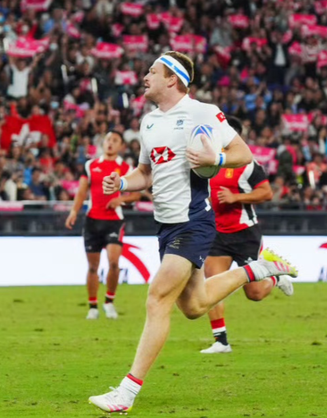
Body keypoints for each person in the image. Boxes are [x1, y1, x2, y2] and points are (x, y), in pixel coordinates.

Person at [88, 51, 297, 413]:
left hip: (194, 222)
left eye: (152, 71)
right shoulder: (149, 122)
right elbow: (145, 174)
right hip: (165, 226)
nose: (145, 76)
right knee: (194, 306)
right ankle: (260, 269)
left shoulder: (202, 112)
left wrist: (217, 159)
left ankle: (126, 392)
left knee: (157, 298)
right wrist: (121, 182)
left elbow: (243, 153)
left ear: (172, 79)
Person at [200, 117, 294, 354]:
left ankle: (275, 277)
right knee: (212, 285)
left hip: (245, 234)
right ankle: (221, 341)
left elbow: (267, 193)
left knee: (255, 294)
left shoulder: (248, 163)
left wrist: (236, 198)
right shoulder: (208, 162)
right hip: (217, 234)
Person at [65, 131, 141, 320]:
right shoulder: (91, 166)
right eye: (108, 139)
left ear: (121, 146)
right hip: (92, 220)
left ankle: (109, 302)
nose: (110, 143)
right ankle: (92, 306)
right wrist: (74, 211)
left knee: (114, 262)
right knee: (93, 266)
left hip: (114, 221)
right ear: (103, 143)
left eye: (115, 140)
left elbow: (136, 194)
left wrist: (120, 200)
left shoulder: (126, 167)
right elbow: (81, 191)